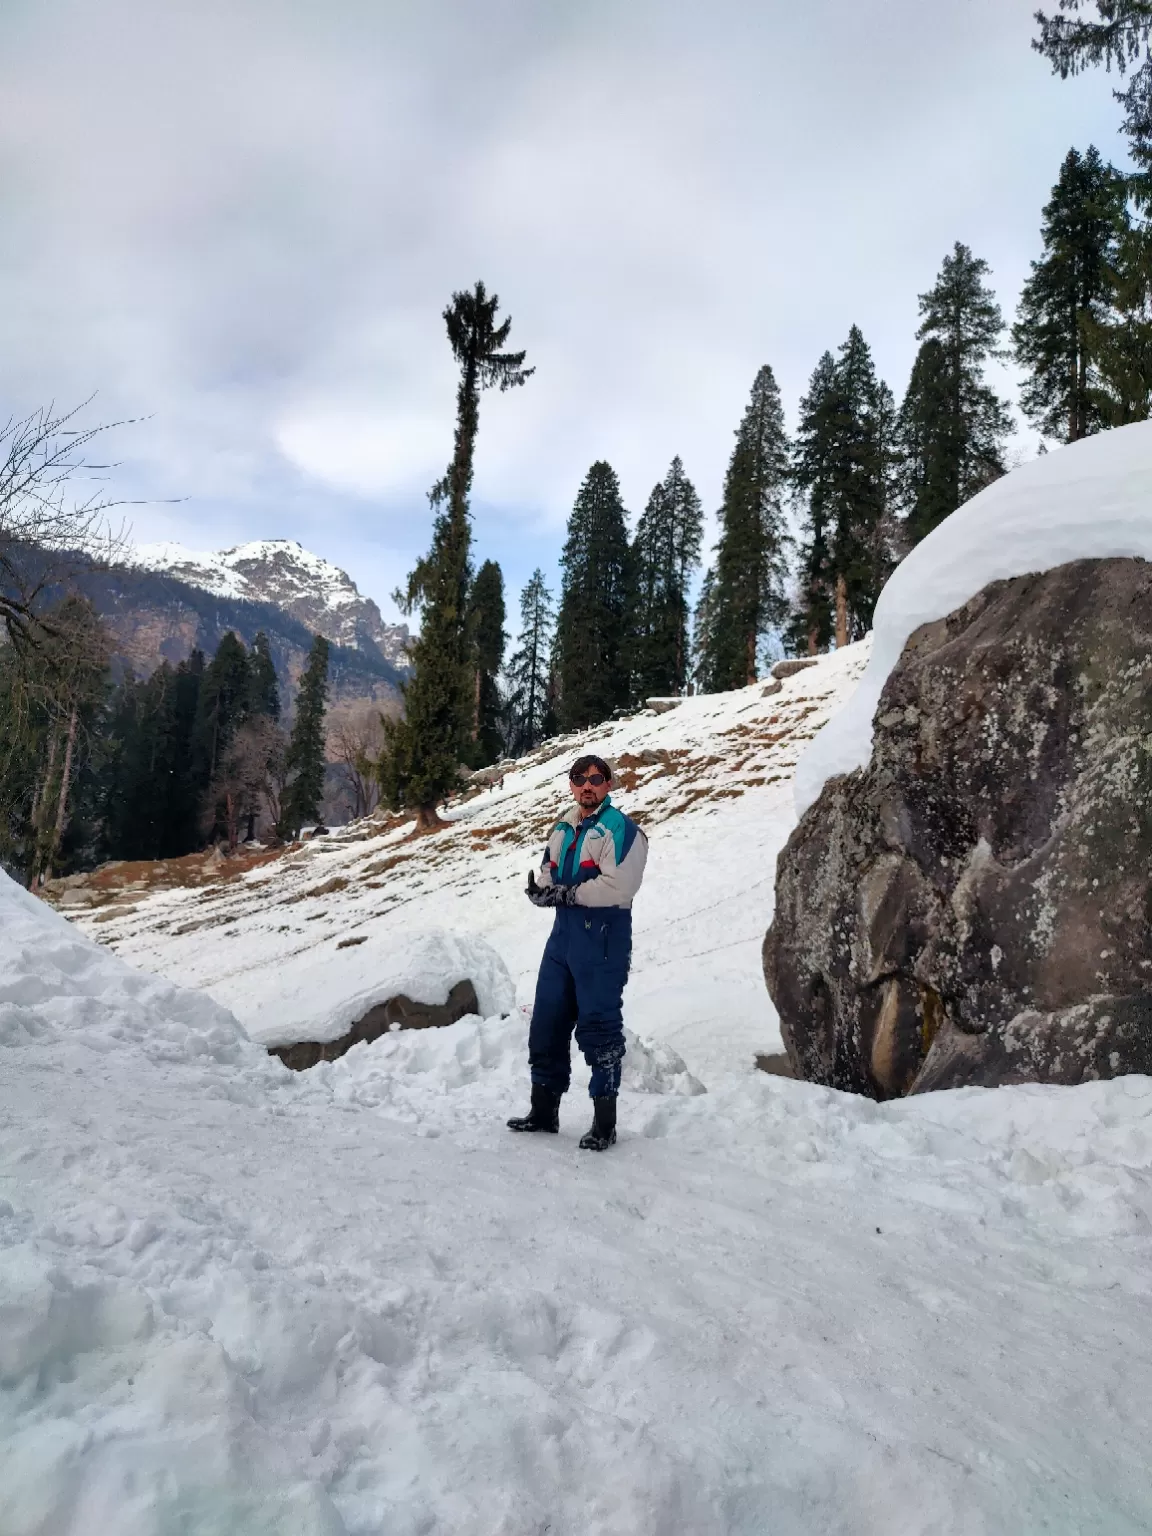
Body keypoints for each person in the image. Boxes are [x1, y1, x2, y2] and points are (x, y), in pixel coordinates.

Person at [507, 754, 648, 1150]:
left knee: (599, 1028)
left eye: (596, 778)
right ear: (570, 784)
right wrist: (543, 890)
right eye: (579, 778)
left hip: (602, 942)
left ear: (608, 785)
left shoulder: (621, 829)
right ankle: (543, 1112)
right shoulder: (564, 826)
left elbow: (619, 886)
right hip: (563, 941)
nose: (587, 785)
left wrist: (566, 894)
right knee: (547, 1024)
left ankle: (605, 1123)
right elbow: (549, 869)